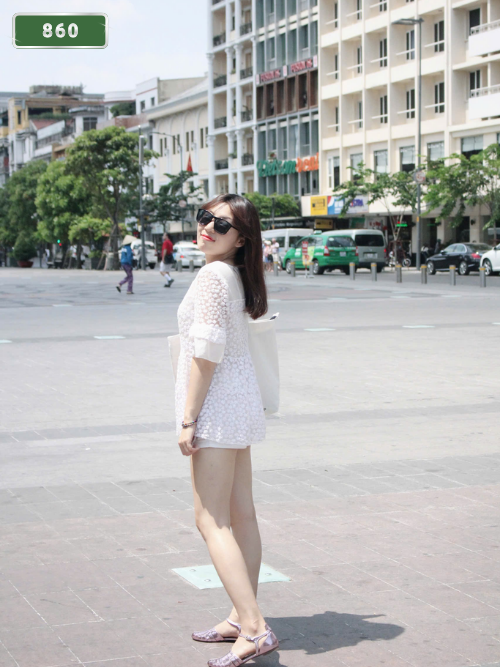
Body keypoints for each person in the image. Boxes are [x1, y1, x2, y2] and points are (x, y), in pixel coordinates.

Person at [175, 194, 279, 666]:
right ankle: (240, 617)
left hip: (217, 408)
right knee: (242, 516)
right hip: (240, 404)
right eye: (205, 217)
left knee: (211, 519)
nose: (208, 228)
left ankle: (254, 627)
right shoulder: (235, 274)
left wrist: (188, 418)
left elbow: (206, 352)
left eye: (221, 225)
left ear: (241, 240)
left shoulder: (212, 276)